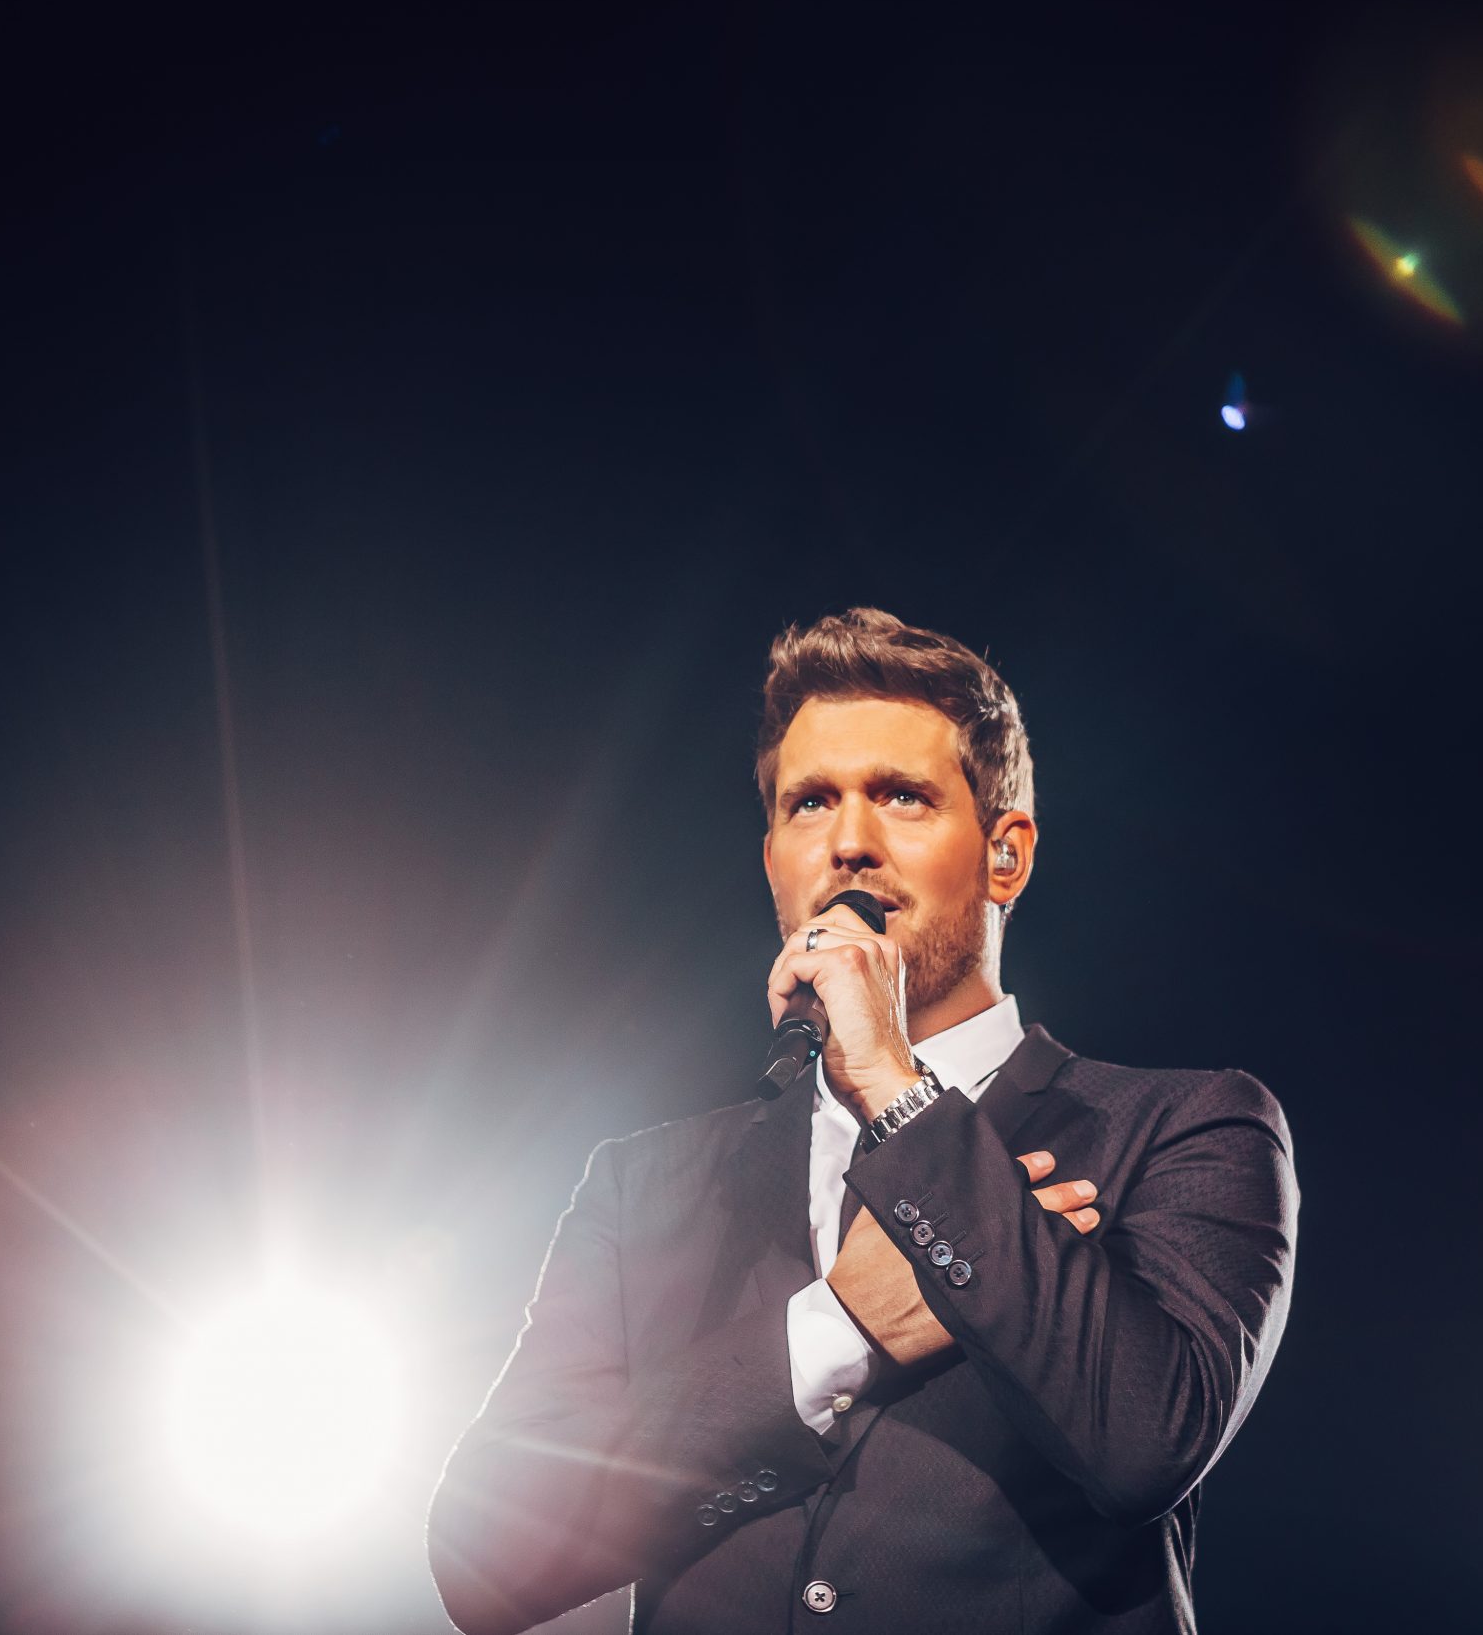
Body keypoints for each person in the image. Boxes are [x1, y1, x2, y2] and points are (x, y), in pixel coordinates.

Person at [427, 608, 1298, 1633]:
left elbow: (1144, 1441)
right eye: (810, 803)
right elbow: (486, 1560)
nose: (848, 842)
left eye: (901, 796)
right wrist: (840, 1327)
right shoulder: (645, 1182)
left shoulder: (1186, 1127)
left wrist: (893, 1080)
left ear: (1005, 855)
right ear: (773, 862)